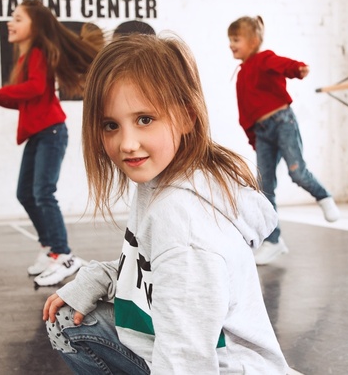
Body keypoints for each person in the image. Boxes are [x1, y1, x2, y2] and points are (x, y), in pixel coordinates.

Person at [42, 34, 288, 373]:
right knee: (67, 316)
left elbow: (186, 359)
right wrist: (99, 277)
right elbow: (150, 269)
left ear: (186, 117)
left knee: (69, 323)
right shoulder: (163, 178)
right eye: (111, 125)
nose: (127, 144)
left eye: (144, 119)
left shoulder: (183, 226)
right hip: (182, 355)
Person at [0, 0, 100, 287]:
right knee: (26, 193)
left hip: (51, 132)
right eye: (12, 18)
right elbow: (24, 99)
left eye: (18, 18)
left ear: (36, 25)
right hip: (40, 133)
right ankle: (49, 247)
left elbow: (35, 88)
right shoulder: (26, 57)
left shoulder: (38, 52)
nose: (11, 23)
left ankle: (63, 254)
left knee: (43, 192)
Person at [227, 15, 341, 265]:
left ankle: (323, 196)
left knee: (297, 172)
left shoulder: (263, 59)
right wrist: (254, 139)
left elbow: (283, 65)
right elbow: (245, 112)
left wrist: (298, 69)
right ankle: (273, 241)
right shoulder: (242, 75)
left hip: (282, 123)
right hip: (262, 133)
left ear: (253, 41)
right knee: (264, 186)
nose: (231, 45)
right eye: (230, 40)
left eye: (236, 40)